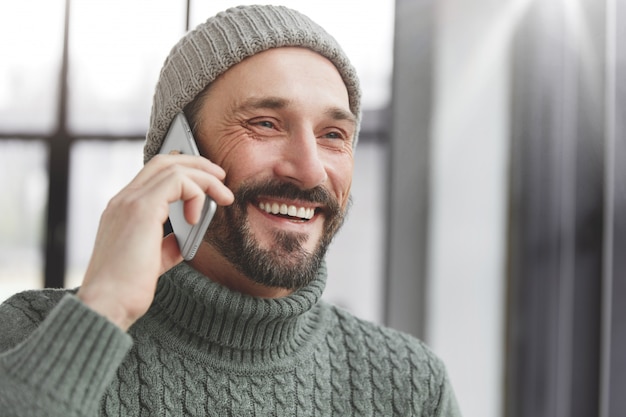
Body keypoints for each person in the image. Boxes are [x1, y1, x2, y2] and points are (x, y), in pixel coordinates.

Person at [0, 5, 461, 416]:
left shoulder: (410, 385)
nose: (310, 170)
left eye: (333, 135)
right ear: (176, 154)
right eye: (265, 124)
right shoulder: (29, 336)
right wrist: (104, 309)